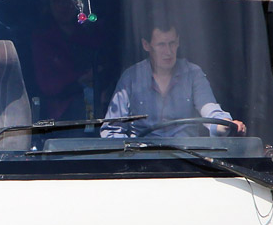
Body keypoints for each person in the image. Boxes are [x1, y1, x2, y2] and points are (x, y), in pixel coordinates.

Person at [100, 16, 245, 138]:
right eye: (161, 45)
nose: (168, 52)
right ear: (146, 45)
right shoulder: (131, 78)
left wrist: (225, 124)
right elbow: (112, 130)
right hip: (142, 162)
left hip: (188, 160)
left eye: (172, 43)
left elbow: (210, 110)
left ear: (178, 42)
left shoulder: (193, 74)